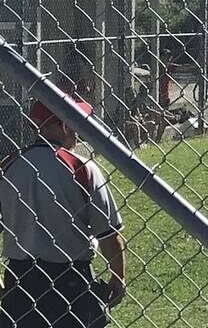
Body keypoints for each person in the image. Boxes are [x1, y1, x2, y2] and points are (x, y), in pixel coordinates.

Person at [0, 98, 126, 327]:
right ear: (63, 126)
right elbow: (108, 235)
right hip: (71, 280)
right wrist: (118, 277)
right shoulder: (82, 167)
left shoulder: (8, 165)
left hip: (19, 279)